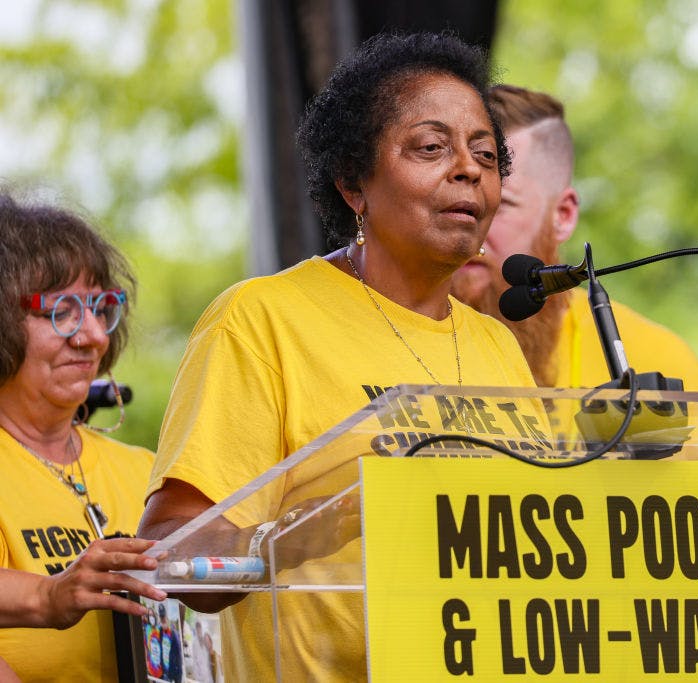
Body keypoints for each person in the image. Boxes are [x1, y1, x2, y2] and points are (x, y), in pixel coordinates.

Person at [138, 31, 541, 681]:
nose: (468, 168)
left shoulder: (496, 342)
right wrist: (314, 525)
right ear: (354, 182)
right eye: (431, 147)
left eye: (487, 154)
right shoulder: (261, 321)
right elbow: (170, 556)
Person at [0, 192, 167, 680]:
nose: (93, 334)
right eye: (63, 311)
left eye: (101, 307)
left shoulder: (146, 468)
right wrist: (50, 595)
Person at [451, 85, 698, 392]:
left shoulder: (660, 360)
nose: (467, 227)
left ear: (562, 215)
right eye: (452, 204)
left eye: (500, 204)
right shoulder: (386, 335)